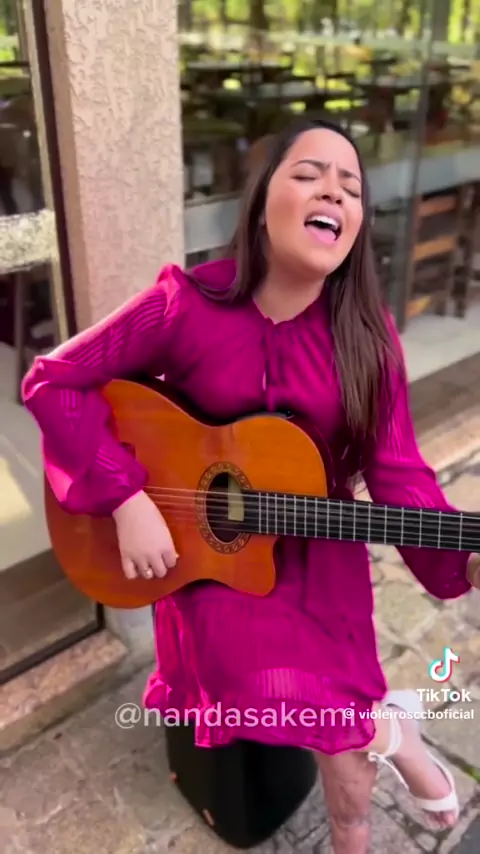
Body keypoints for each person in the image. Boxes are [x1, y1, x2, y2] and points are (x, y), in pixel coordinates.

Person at [22, 119, 480, 854]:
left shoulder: (368, 338)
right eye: (309, 174)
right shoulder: (184, 304)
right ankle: (388, 728)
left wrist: (465, 558)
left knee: (344, 761)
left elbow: (401, 477)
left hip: (319, 565)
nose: (334, 191)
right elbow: (54, 381)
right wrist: (125, 496)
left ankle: (370, 769)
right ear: (262, 202)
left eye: (351, 186)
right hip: (216, 570)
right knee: (267, 687)